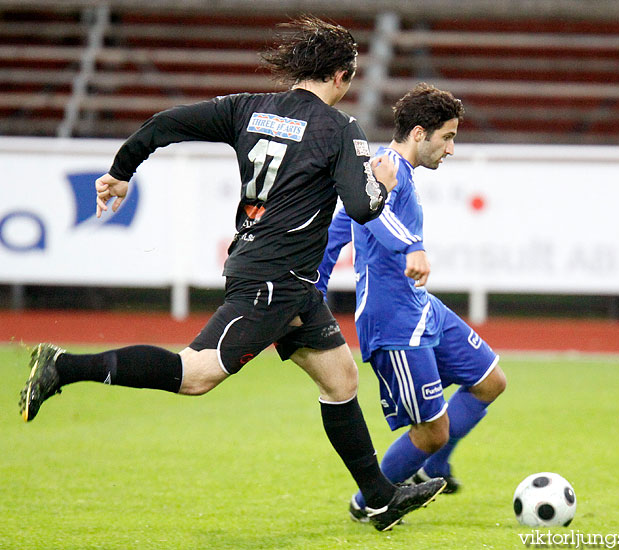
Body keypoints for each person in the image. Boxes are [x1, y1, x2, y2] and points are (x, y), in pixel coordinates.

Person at [18, 17, 446, 532]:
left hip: (284, 279)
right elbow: (360, 207)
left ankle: (378, 497)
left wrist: (121, 171)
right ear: (340, 76)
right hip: (273, 280)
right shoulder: (340, 130)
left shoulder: (247, 108)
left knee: (340, 379)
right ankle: (63, 367)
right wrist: (380, 181)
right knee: (196, 375)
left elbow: (164, 124)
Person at [315, 83, 507, 522]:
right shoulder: (385, 169)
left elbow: (340, 225)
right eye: (448, 137)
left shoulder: (390, 168)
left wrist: (317, 285)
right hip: (394, 321)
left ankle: (433, 467)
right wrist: (412, 247)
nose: (452, 148)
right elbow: (373, 215)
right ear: (420, 133)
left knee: (490, 381)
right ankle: (369, 504)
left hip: (421, 308)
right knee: (432, 431)